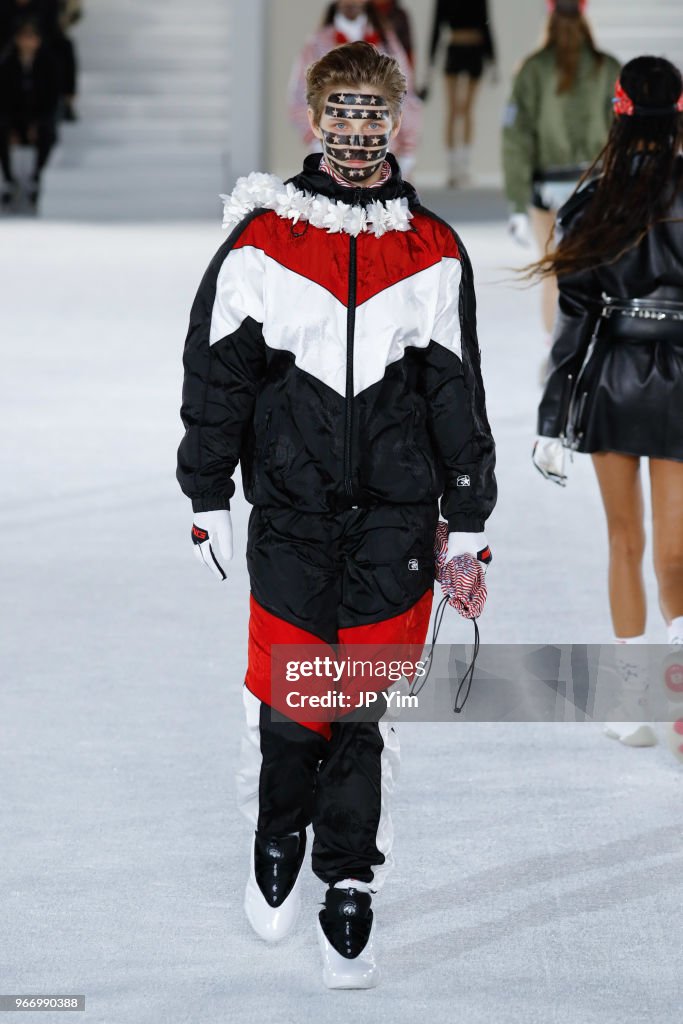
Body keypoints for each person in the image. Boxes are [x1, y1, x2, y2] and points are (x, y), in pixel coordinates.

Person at [177, 40, 497, 988]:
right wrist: (206, 493)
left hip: (397, 520)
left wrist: (469, 505)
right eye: (340, 113)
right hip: (290, 512)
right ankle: (277, 834)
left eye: (373, 114)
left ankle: (348, 880)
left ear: (397, 120)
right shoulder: (264, 240)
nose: (357, 132)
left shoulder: (431, 247)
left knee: (360, 710)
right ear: (311, 119)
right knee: (290, 702)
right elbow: (217, 377)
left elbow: (456, 389)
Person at [530, 56, 683, 762]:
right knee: (669, 552)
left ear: (617, 113)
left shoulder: (594, 200)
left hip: (613, 374)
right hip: (664, 374)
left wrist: (551, 416)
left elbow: (573, 319)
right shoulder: (604, 199)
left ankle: (642, 700)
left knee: (631, 541)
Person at [502, 0, 619, 367]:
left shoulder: (532, 70)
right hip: (596, 188)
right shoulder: (608, 69)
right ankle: (590, 353)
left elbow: (516, 137)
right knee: (596, 272)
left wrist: (518, 203)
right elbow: (620, 134)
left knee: (554, 274)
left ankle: (558, 356)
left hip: (546, 190)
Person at [288, 1, 422, 174]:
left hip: (382, 157)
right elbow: (298, 97)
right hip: (334, 157)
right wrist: (317, 143)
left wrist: (407, 150)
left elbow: (406, 94)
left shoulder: (386, 41)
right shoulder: (316, 43)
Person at [422, 0, 496, 187]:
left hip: (474, 50)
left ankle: (464, 165)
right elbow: (436, 27)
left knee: (466, 109)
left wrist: (492, 59)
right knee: (454, 110)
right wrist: (430, 65)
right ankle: (453, 167)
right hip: (455, 49)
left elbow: (486, 25)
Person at [0, 16, 60, 210]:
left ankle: (37, 178)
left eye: (31, 36)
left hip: (40, 117)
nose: (27, 41)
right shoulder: (7, 64)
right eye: (24, 36)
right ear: (17, 39)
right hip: (14, 118)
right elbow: (4, 99)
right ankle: (8, 179)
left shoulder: (48, 64)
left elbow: (51, 98)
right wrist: (12, 127)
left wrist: (37, 122)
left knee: (47, 132)